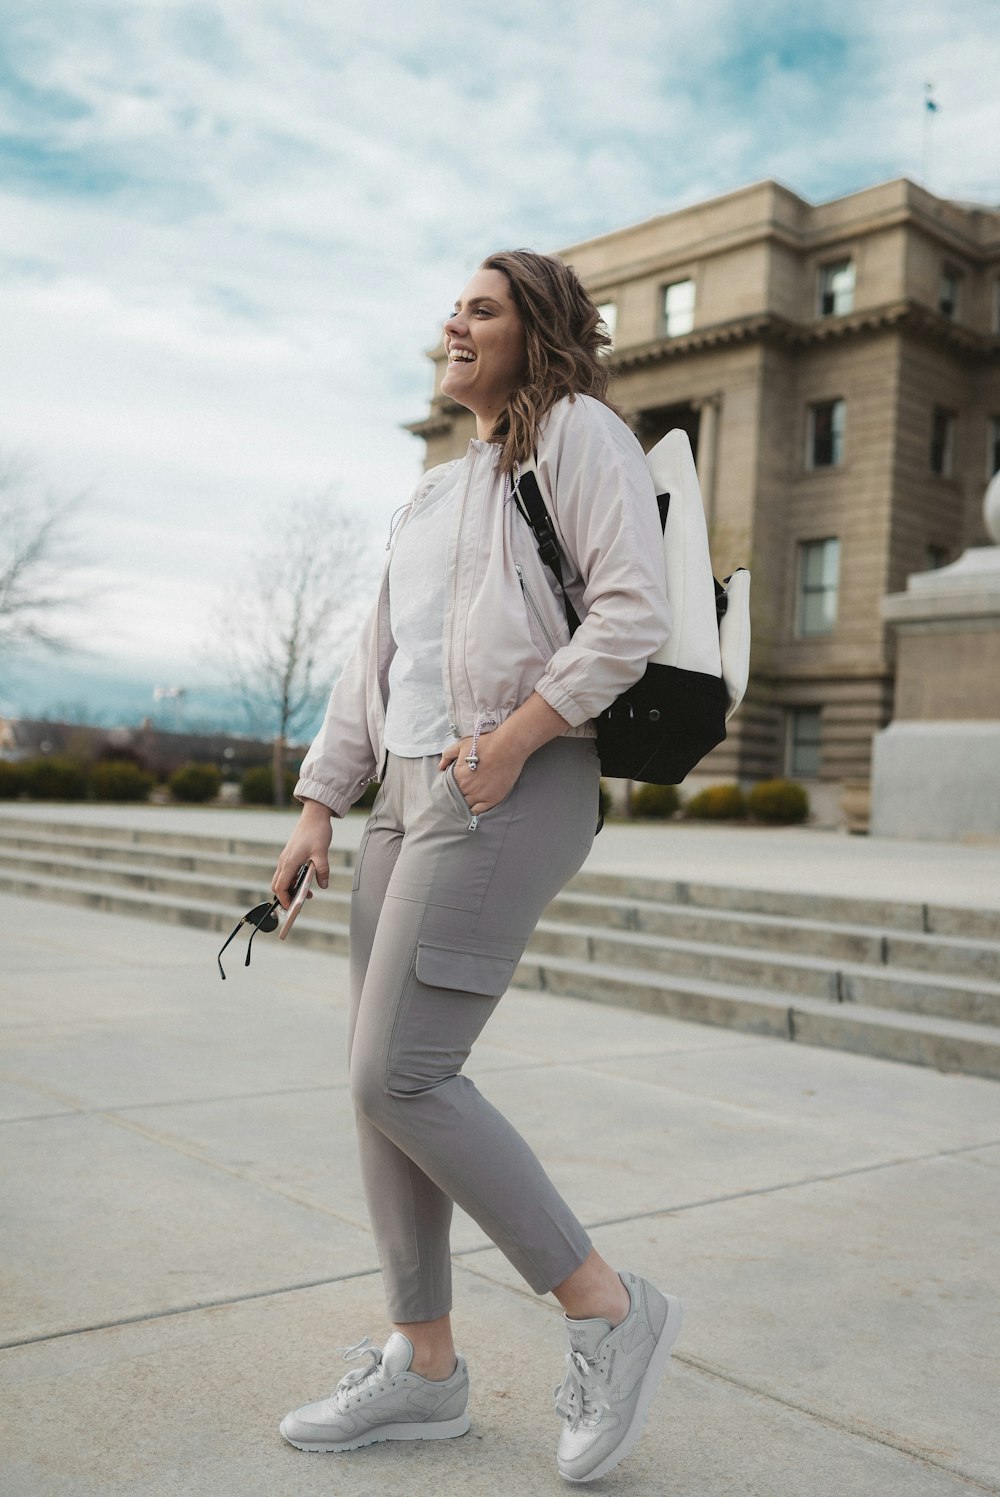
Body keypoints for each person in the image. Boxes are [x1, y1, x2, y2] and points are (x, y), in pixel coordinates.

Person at [270, 249, 681, 1483]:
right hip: (404, 788)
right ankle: (425, 1369)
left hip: (513, 775)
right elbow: (372, 664)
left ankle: (607, 1305)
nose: (453, 321)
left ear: (536, 332)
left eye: (483, 308)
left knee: (405, 1072)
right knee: (374, 1082)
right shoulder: (433, 495)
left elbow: (629, 613)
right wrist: (316, 805)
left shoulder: (580, 437)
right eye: (453, 306)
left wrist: (511, 741)